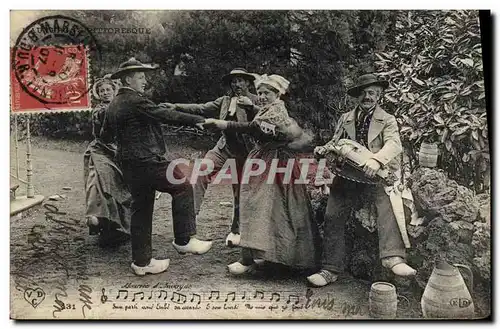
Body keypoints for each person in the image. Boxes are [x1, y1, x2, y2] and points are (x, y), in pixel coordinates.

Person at [102, 58, 213, 276]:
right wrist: (197, 119)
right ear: (127, 79)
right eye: (141, 77)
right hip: (146, 160)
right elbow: (165, 115)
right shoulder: (134, 100)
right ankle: (184, 239)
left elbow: (104, 134)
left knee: (141, 208)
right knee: (182, 185)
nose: (145, 81)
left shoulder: (114, 104)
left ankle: (142, 262)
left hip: (128, 163)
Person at [202, 74, 321, 275]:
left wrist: (224, 124)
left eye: (267, 93)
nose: (263, 96)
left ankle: (258, 258)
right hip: (263, 158)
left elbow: (253, 128)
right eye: (260, 93)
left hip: (275, 161)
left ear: (277, 94)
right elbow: (258, 121)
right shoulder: (267, 108)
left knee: (268, 206)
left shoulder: (277, 111)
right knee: (263, 207)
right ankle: (262, 257)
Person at [308, 73, 417, 287]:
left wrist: (376, 160)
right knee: (332, 213)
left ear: (379, 95)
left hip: (374, 174)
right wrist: (324, 149)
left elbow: (394, 145)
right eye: (364, 93)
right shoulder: (346, 118)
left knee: (387, 203)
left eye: (372, 93)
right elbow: (336, 141)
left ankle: (393, 258)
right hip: (347, 174)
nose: (367, 97)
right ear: (357, 96)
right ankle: (330, 268)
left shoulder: (387, 120)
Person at [164, 68, 259, 247]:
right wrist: (175, 106)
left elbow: (262, 122)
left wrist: (251, 107)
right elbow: (201, 107)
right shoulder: (224, 101)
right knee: (201, 171)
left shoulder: (256, 101)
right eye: (233, 81)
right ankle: (188, 225)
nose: (236, 85)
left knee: (240, 190)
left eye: (240, 81)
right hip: (224, 147)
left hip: (246, 152)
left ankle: (236, 230)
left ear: (248, 83)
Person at [84, 74, 131, 247]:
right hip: (102, 150)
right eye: (102, 90)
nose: (105, 93)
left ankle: (122, 227)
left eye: (108, 89)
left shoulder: (121, 107)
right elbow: (100, 128)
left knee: (123, 186)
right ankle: (102, 222)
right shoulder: (100, 110)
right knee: (102, 182)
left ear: (113, 91)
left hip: (120, 150)